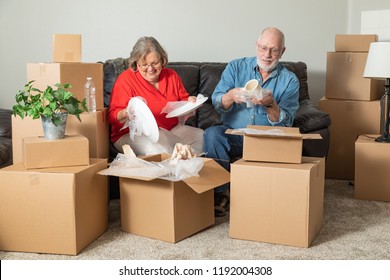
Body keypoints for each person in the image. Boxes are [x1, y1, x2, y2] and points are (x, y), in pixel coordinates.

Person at [204, 27, 300, 217]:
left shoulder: (290, 80)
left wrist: (271, 104)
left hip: (266, 139)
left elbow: (286, 124)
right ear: (256, 45)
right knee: (212, 133)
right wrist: (231, 96)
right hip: (234, 134)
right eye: (263, 48)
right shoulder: (236, 67)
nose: (267, 55)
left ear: (283, 51)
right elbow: (217, 101)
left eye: (274, 49)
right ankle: (221, 193)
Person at [108, 36, 204, 156]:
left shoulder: (171, 75)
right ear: (136, 63)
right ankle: (172, 169)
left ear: (162, 59)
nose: (150, 69)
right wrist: (127, 113)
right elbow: (112, 117)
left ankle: (186, 171)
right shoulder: (126, 79)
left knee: (201, 137)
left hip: (170, 130)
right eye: (144, 64)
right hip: (133, 134)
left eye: (155, 63)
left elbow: (183, 100)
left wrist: (190, 101)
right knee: (159, 150)